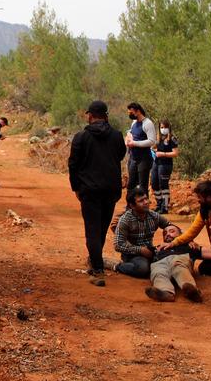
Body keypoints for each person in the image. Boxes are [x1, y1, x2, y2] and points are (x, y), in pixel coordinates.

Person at [68, 100, 126, 286]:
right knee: (101, 228)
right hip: (111, 189)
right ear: (106, 116)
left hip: (89, 190)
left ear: (90, 116)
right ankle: (95, 263)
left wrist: (76, 187)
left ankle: (98, 270)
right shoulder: (117, 136)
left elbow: (73, 164)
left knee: (92, 229)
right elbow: (120, 155)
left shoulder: (81, 137)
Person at [109, 187, 169, 279]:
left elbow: (170, 226)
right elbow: (118, 245)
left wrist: (184, 239)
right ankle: (116, 265)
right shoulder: (125, 220)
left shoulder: (153, 215)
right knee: (143, 269)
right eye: (141, 201)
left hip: (150, 251)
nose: (146, 202)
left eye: (146, 199)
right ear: (132, 206)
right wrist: (140, 250)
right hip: (132, 255)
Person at [146, 224, 211, 303]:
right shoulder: (158, 248)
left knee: (178, 265)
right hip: (160, 263)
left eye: (172, 231)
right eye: (165, 233)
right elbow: (143, 251)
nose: (167, 234)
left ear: (181, 234)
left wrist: (189, 239)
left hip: (179, 260)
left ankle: (192, 291)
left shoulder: (189, 245)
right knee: (158, 271)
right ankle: (165, 293)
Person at [124, 102, 156, 209]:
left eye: (131, 112)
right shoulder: (134, 122)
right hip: (133, 158)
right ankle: (130, 207)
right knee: (131, 184)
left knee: (143, 185)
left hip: (144, 158)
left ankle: (144, 209)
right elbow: (130, 132)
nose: (130, 114)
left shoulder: (147, 123)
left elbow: (152, 141)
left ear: (138, 111)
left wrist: (135, 143)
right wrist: (128, 137)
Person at [151, 119, 180, 214]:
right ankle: (159, 204)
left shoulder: (172, 138)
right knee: (154, 183)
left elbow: (175, 153)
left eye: (165, 127)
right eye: (162, 127)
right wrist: (154, 149)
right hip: (156, 163)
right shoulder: (159, 138)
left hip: (166, 164)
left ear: (169, 127)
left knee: (163, 184)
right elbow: (155, 147)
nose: (163, 129)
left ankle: (165, 207)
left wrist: (163, 154)